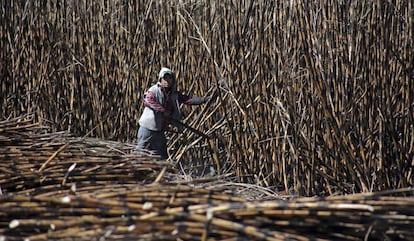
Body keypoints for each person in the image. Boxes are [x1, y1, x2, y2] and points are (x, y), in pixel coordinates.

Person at [134, 67, 209, 159]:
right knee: (139, 152)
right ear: (160, 80)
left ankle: (160, 172)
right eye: (165, 78)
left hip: (159, 129)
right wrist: (163, 110)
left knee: (161, 156)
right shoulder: (154, 90)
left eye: (170, 78)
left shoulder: (173, 94)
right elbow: (148, 101)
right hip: (147, 127)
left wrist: (204, 100)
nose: (167, 81)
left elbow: (188, 100)